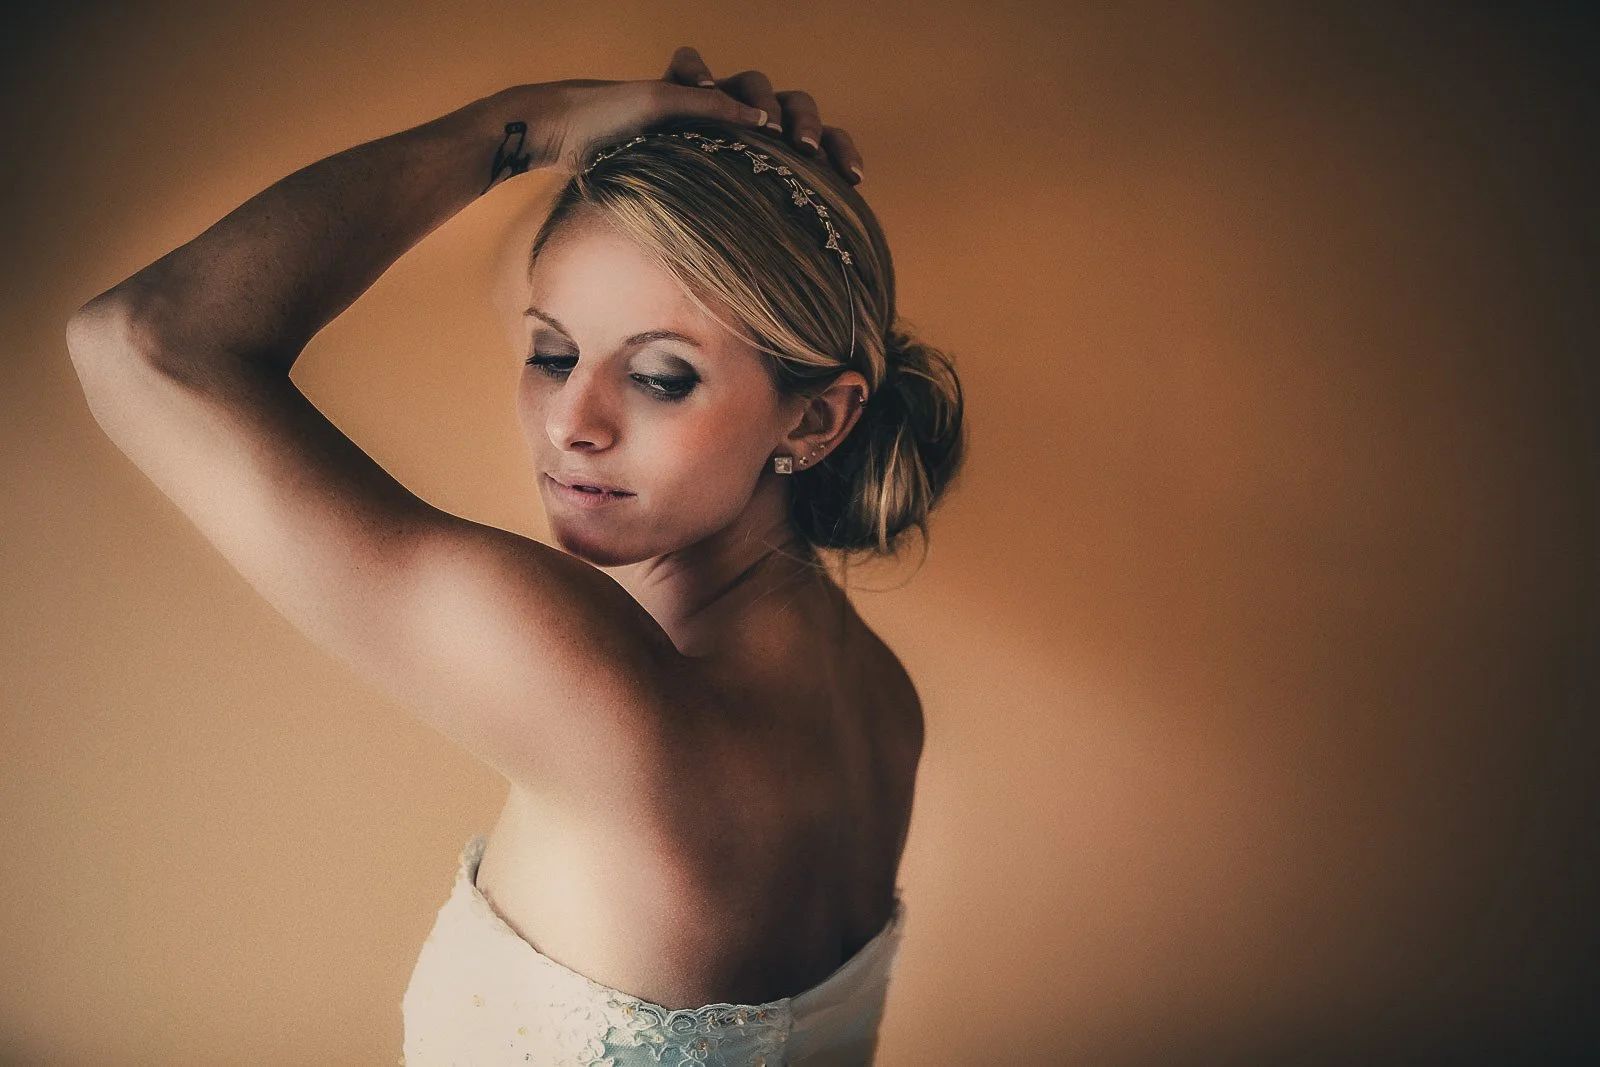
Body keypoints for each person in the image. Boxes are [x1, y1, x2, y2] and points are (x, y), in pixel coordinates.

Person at [66, 44, 965, 1066]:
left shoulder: (605, 693)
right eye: (550, 352)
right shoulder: (881, 702)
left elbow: (144, 341)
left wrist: (520, 126)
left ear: (817, 418)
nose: (570, 422)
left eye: (661, 376)